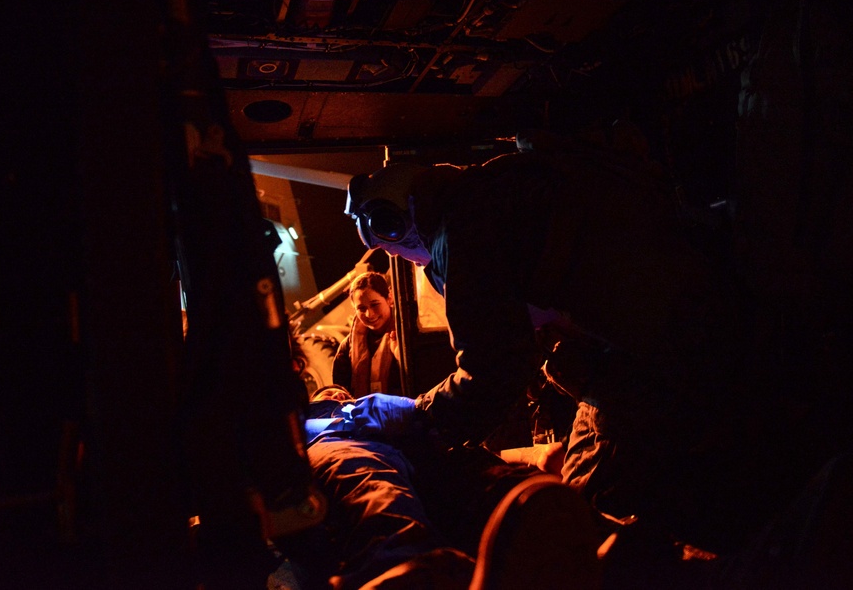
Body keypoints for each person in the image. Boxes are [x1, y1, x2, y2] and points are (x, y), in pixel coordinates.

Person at [341, 126, 813, 561]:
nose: (400, 258)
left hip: (661, 347)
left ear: (394, 223)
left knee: (587, 511)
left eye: (389, 246)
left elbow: (493, 370)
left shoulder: (459, 230)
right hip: (703, 312)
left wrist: (415, 417)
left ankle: (747, 566)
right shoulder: (499, 184)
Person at [275, 351, 601, 590]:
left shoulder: (368, 404)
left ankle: (560, 526)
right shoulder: (307, 425)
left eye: (340, 392)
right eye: (328, 393)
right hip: (337, 443)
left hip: (406, 445)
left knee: (466, 468)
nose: (336, 393)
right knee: (368, 481)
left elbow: (420, 418)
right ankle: (402, 567)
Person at [332, 272, 403, 397]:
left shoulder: (404, 336)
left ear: (389, 298)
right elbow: (339, 390)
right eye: (361, 308)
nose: (369, 314)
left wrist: (400, 355)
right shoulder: (347, 347)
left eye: (375, 304)